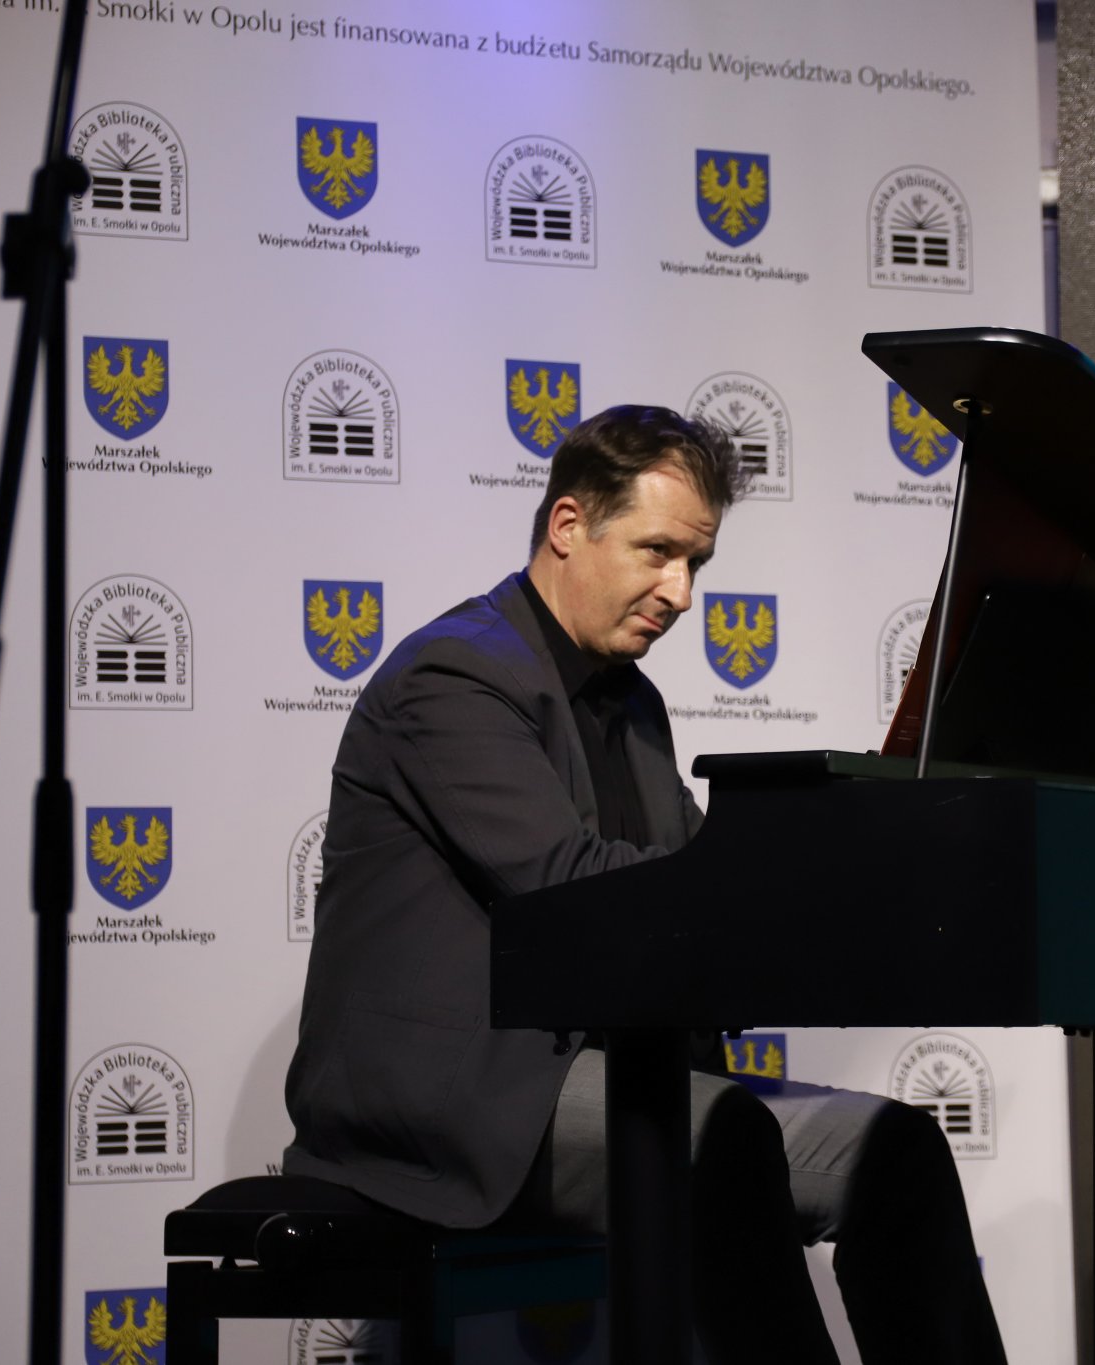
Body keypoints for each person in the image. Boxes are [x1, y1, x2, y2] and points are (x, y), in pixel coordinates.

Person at [284, 405, 1006, 1363]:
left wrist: (843, 889)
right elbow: (571, 889)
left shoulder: (632, 699)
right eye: (659, 551)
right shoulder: (455, 676)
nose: (681, 591)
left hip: (616, 1078)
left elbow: (697, 871)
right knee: (723, 1134)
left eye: (696, 561)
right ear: (569, 525)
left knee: (895, 1151)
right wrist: (778, 896)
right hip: (449, 1096)